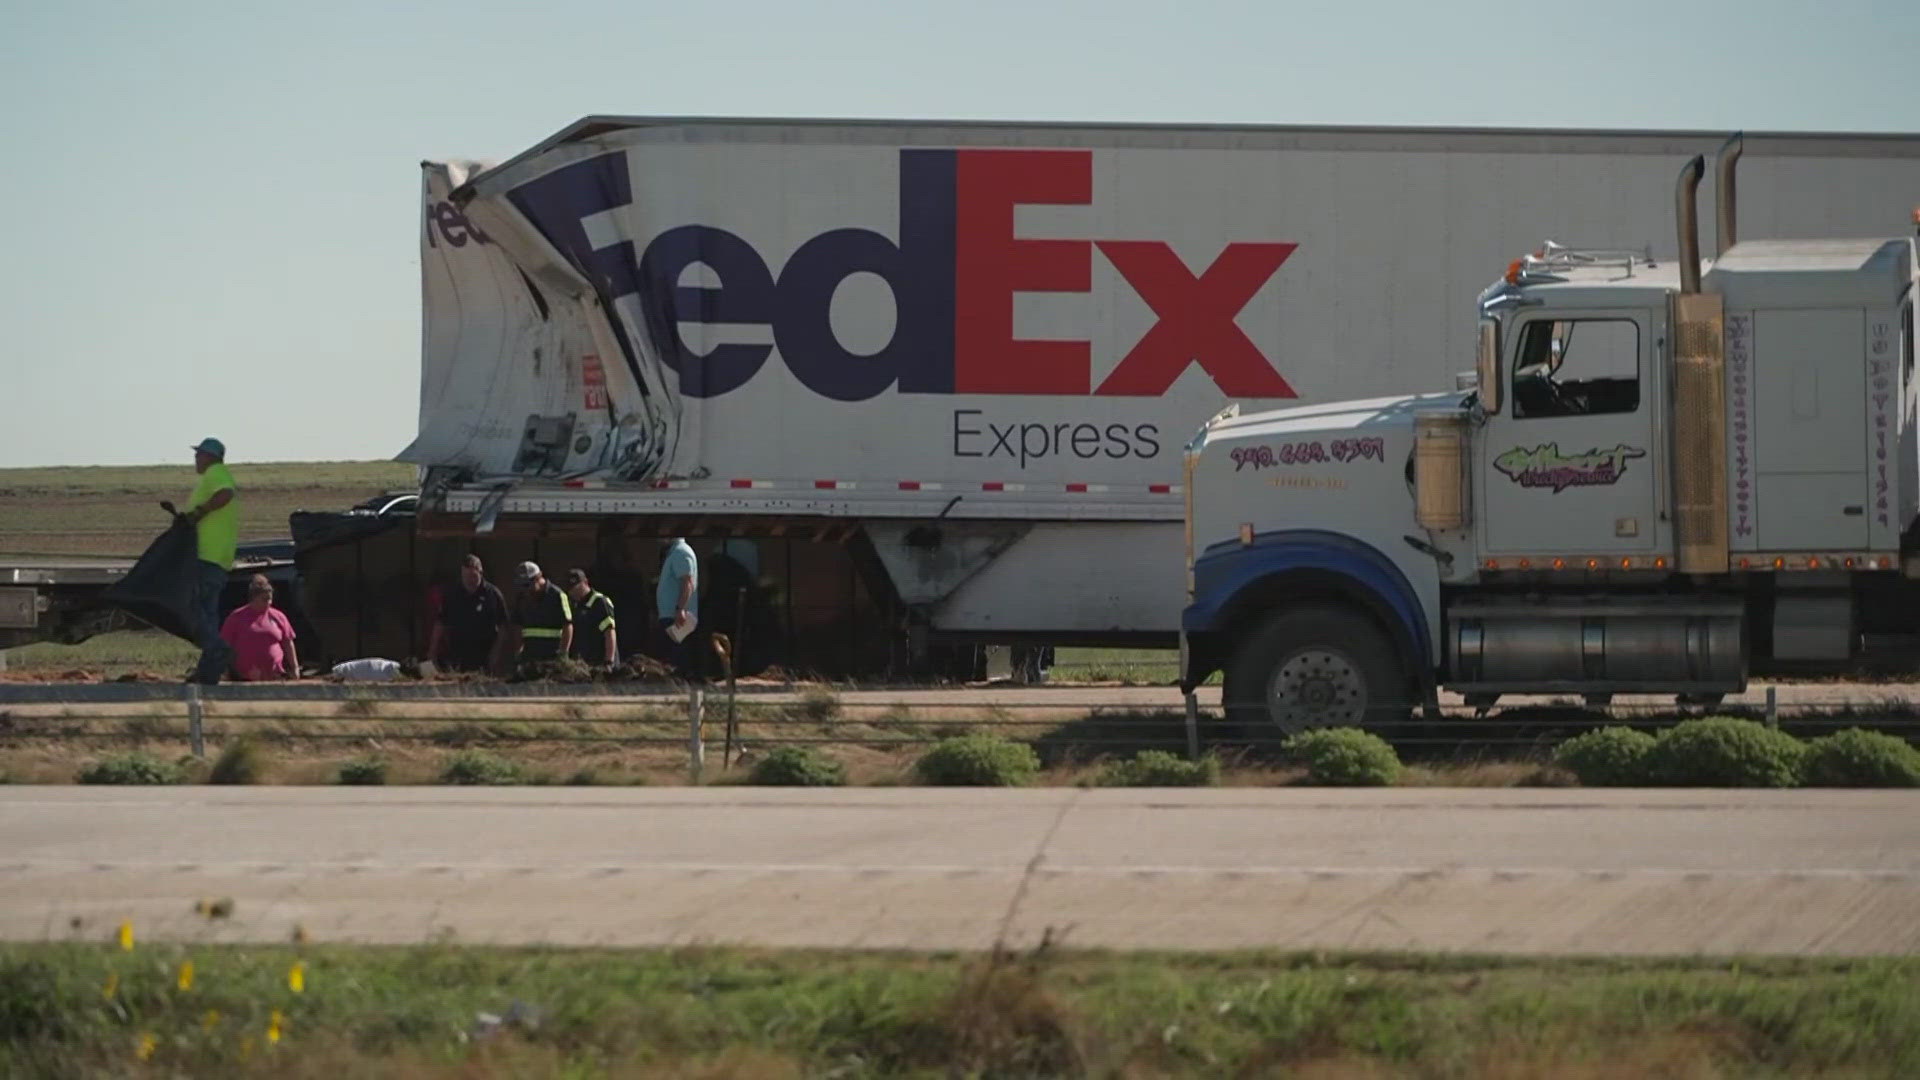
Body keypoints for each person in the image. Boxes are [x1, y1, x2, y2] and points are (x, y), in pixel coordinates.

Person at [184, 437, 239, 684]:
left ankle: (217, 649)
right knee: (208, 615)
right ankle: (208, 673)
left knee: (195, 612)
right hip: (217, 557)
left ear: (211, 457)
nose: (195, 459)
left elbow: (225, 493)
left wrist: (199, 512)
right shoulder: (214, 475)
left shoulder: (216, 474)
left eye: (199, 454)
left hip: (208, 555)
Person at [429, 555, 508, 673]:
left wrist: (496, 653)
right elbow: (441, 622)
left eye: (473, 576)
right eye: (465, 576)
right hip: (457, 655)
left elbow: (503, 626)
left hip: (484, 655)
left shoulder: (492, 594)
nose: (469, 581)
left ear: (480, 572)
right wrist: (433, 650)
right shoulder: (453, 594)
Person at [218, 574, 299, 681]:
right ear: (253, 598)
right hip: (244, 678)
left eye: (270, 599)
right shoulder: (236, 617)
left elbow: (288, 643)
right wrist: (223, 670)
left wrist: (295, 668)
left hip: (275, 676)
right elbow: (224, 645)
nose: (268, 603)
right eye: (264, 599)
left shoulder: (278, 616)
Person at [506, 560, 572, 666]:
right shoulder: (522, 598)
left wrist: (563, 653)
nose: (526, 589)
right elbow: (517, 625)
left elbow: (567, 625)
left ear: (539, 577)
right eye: (522, 585)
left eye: (528, 584)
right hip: (529, 657)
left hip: (552, 656)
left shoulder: (557, 595)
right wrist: (518, 651)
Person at [655, 537, 699, 677]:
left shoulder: (681, 552)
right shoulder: (673, 553)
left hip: (676, 617)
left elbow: (687, 583)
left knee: (677, 655)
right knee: (670, 654)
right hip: (669, 615)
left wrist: (681, 609)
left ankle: (681, 683)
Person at [565, 568, 619, 668]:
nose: (574, 591)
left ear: (585, 582)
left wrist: (609, 662)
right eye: (571, 589)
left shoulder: (600, 602)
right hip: (584, 663)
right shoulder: (574, 605)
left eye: (577, 587)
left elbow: (609, 632)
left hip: (600, 663)